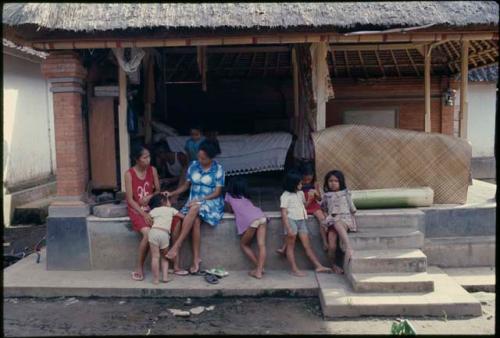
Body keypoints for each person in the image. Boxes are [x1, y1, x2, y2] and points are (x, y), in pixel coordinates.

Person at [165, 140, 225, 274]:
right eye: (199, 157)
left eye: (203, 158)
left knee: (195, 207)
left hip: (211, 202)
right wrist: (172, 193)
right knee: (195, 220)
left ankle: (176, 246)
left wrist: (201, 199)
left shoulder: (218, 169)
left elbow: (217, 192)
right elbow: (186, 186)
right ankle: (196, 259)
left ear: (211, 157)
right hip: (193, 203)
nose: (200, 160)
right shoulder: (193, 166)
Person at [277, 164, 337, 260]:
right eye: (304, 180)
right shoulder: (297, 184)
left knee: (322, 220)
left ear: (313, 176)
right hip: (302, 206)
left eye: (309, 179)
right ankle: (284, 247)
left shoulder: (315, 184)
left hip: (313, 205)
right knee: (294, 227)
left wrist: (315, 194)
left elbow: (319, 198)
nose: (306, 182)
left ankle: (325, 242)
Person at [125, 144, 161, 281]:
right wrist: (143, 213)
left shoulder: (153, 170)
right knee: (148, 233)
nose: (148, 160)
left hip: (151, 207)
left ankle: (164, 264)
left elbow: (157, 190)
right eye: (144, 157)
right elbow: (129, 199)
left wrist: (150, 197)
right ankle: (139, 266)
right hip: (136, 209)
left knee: (160, 228)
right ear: (137, 159)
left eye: (149, 157)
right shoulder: (129, 174)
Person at [225, 177, 267, 279]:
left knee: (244, 244)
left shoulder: (228, 196)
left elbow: (230, 210)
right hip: (261, 216)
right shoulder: (246, 198)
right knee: (261, 245)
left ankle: (258, 270)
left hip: (252, 221)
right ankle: (260, 269)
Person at [321, 170, 357, 271]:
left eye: (336, 181)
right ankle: (333, 265)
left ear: (340, 182)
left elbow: (352, 209)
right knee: (332, 246)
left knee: (338, 223)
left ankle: (349, 247)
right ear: (327, 182)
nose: (333, 183)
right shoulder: (326, 196)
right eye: (330, 181)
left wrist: (352, 220)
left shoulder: (346, 194)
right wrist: (326, 217)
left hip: (345, 219)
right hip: (331, 221)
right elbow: (324, 209)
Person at [147, 194, 185, 284]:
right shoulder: (171, 209)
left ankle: (155, 280)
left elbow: (148, 219)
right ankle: (165, 278)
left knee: (155, 257)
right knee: (165, 257)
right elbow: (183, 217)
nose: (170, 202)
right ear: (163, 202)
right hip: (164, 234)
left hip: (153, 232)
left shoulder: (153, 210)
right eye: (168, 200)